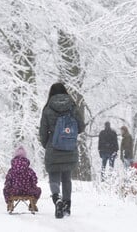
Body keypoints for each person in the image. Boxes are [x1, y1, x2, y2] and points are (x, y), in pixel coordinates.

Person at [39, 83, 85, 219]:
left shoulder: (47, 108)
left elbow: (43, 130)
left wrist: (46, 144)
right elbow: (81, 127)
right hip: (69, 146)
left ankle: (57, 199)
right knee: (66, 178)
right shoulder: (72, 106)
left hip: (53, 146)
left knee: (54, 176)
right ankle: (67, 205)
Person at [3, 146, 42, 212]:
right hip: (28, 191)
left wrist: (9, 186)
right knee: (38, 190)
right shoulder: (29, 170)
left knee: (5, 190)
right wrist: (33, 185)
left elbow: (8, 182)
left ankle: (9, 203)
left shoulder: (11, 170)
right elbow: (34, 180)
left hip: (14, 191)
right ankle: (32, 204)